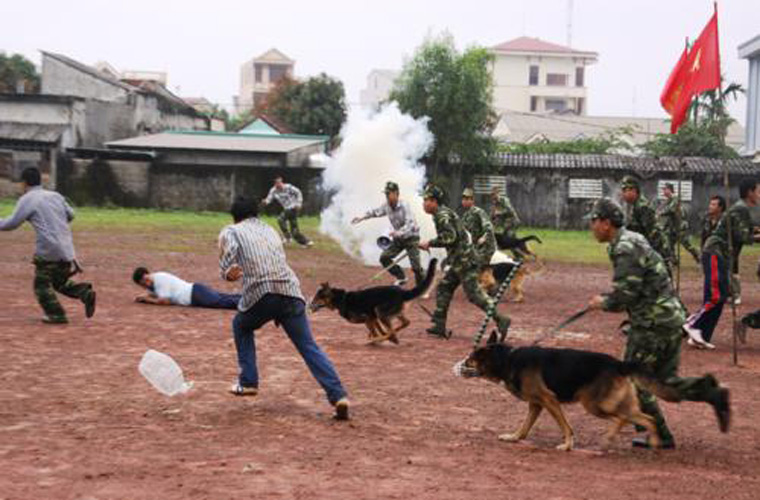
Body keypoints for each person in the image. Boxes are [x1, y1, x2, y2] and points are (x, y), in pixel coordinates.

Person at [586, 198, 731, 450]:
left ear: (606, 223)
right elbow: (639, 284)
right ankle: (711, 393)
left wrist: (603, 302)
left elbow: (626, 295)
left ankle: (658, 433)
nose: (591, 227)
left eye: (593, 221)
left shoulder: (624, 247)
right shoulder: (632, 239)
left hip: (652, 323)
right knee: (664, 383)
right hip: (670, 318)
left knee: (631, 378)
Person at [219, 196, 349, 419]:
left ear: (235, 216)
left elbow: (229, 261)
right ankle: (339, 396)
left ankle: (248, 381)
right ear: (255, 213)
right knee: (308, 346)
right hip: (291, 291)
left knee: (241, 325)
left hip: (263, 294)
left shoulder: (232, 231)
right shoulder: (270, 230)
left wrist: (227, 272)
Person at [0, 167, 96, 324]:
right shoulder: (55, 195)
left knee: (41, 285)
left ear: (24, 183)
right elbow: (71, 215)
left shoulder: (28, 199)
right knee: (59, 281)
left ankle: (56, 314)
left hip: (48, 250)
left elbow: (11, 224)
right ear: (40, 181)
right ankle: (84, 292)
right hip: (67, 250)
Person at [419, 185, 510, 339]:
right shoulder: (441, 213)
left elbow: (450, 237)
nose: (423, 203)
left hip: (465, 260)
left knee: (474, 294)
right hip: (459, 260)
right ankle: (439, 325)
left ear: (434, 201)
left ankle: (501, 319)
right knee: (444, 287)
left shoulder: (442, 216)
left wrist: (429, 243)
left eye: (426, 200)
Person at [683, 179, 760, 349]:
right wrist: (755, 235)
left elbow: (744, 229)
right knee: (717, 295)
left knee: (719, 295)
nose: (759, 194)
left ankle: (701, 335)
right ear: (749, 192)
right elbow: (742, 236)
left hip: (721, 255)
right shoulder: (741, 208)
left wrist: (755, 230)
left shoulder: (741, 209)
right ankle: (692, 323)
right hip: (716, 253)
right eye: (758, 191)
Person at [351, 181, 424, 286]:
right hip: (398, 239)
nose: (387, 196)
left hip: (411, 237)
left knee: (416, 268)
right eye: (386, 194)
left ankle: (422, 286)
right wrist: (361, 218)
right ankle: (401, 277)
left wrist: (399, 232)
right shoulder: (386, 206)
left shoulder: (404, 206)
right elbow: (375, 212)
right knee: (384, 258)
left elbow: (411, 224)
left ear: (396, 193)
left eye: (388, 193)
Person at [620, 176, 671, 266]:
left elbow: (652, 234)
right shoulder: (635, 206)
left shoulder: (642, 207)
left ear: (634, 190)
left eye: (625, 190)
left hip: (657, 251)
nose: (623, 194)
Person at [132, 267, 240, 309]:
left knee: (221, 302)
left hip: (194, 294)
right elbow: (155, 293)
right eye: (143, 284)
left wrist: (147, 300)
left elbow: (165, 301)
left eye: (146, 280)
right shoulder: (155, 282)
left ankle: (246, 303)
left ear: (148, 274)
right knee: (223, 297)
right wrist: (144, 296)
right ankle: (247, 298)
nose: (146, 283)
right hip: (195, 291)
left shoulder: (159, 280)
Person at [261, 176, 313, 247]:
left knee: (280, 219)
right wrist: (265, 202)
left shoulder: (289, 187)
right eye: (276, 183)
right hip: (286, 209)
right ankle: (306, 242)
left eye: (279, 183)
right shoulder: (273, 190)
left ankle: (288, 237)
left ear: (281, 182)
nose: (278, 185)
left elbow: (298, 192)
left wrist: (299, 203)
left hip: (293, 207)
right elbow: (269, 199)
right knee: (294, 231)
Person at [657, 182, 700, 265]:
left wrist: (660, 213)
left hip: (679, 227)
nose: (664, 192)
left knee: (686, 245)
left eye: (665, 189)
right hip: (671, 228)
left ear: (670, 190)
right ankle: (674, 261)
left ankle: (697, 256)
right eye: (663, 190)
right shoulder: (667, 201)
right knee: (669, 245)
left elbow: (670, 209)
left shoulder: (675, 199)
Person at [460, 187, 496, 269]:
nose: (464, 201)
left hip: (485, 248)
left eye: (467, 199)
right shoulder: (466, 215)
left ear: (472, 200)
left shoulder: (478, 212)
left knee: (474, 268)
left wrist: (484, 237)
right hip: (476, 248)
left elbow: (488, 226)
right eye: (463, 199)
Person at [490, 186, 521, 256]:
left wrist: (499, 213)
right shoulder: (495, 204)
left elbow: (510, 211)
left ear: (498, 193)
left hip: (513, 221)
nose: (493, 196)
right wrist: (491, 222)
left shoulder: (504, 200)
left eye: (494, 194)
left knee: (508, 239)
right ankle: (522, 252)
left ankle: (519, 255)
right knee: (509, 240)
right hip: (507, 224)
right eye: (492, 195)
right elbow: (493, 216)